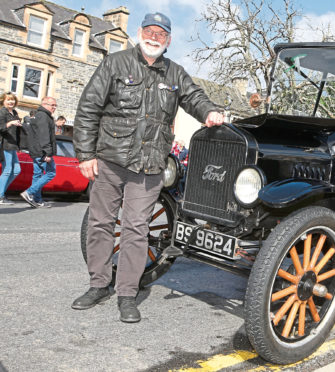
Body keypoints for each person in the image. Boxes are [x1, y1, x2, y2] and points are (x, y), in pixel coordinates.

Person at [71, 12, 224, 323]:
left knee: (136, 230)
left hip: (149, 167)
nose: (154, 37)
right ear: (139, 32)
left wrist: (209, 112)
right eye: (150, 31)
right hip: (110, 160)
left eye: (161, 34)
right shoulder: (115, 63)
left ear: (168, 40)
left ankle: (127, 293)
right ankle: (98, 284)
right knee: (100, 224)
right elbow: (88, 108)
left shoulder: (175, 73)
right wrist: (86, 154)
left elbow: (195, 97)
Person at [20, 97, 57, 208]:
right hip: (42, 152)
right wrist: (48, 153)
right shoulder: (44, 116)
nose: (54, 107)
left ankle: (37, 200)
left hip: (36, 151)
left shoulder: (39, 115)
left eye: (55, 105)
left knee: (37, 175)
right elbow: (44, 135)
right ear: (44, 104)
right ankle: (29, 192)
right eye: (52, 105)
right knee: (51, 173)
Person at [0, 92, 23, 205]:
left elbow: (17, 133)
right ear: (3, 101)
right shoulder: (2, 112)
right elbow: (1, 128)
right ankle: (0, 196)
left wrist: (18, 146)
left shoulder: (14, 113)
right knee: (7, 170)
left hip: (13, 145)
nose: (11, 102)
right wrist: (10, 123)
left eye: (12, 100)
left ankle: (1, 193)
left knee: (17, 170)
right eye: (8, 100)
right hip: (4, 144)